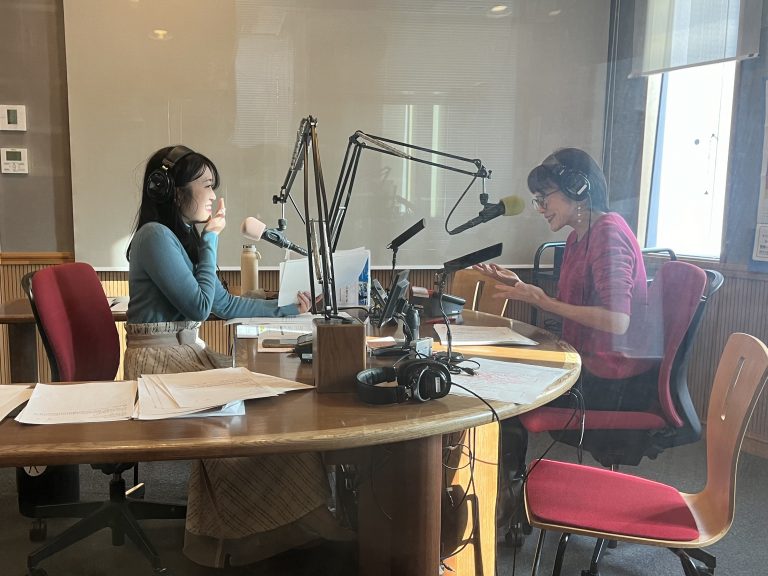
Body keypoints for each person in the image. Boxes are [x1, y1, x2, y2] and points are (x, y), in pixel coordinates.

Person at [125, 145, 347, 568]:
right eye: (206, 185)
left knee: (276, 406)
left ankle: (300, 522)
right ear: (169, 189)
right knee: (248, 423)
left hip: (182, 354)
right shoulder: (154, 237)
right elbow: (198, 305)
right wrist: (211, 238)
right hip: (158, 366)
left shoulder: (178, 237)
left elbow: (223, 304)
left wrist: (288, 310)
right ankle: (257, 536)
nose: (214, 196)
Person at [474, 147, 657, 536]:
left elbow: (617, 320)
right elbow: (577, 305)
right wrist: (525, 289)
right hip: (583, 363)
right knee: (497, 378)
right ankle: (506, 500)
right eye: (537, 199)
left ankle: (508, 506)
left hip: (611, 380)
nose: (540, 207)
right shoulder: (578, 237)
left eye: (545, 197)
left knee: (503, 403)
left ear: (579, 189)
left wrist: (543, 301)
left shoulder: (608, 234)